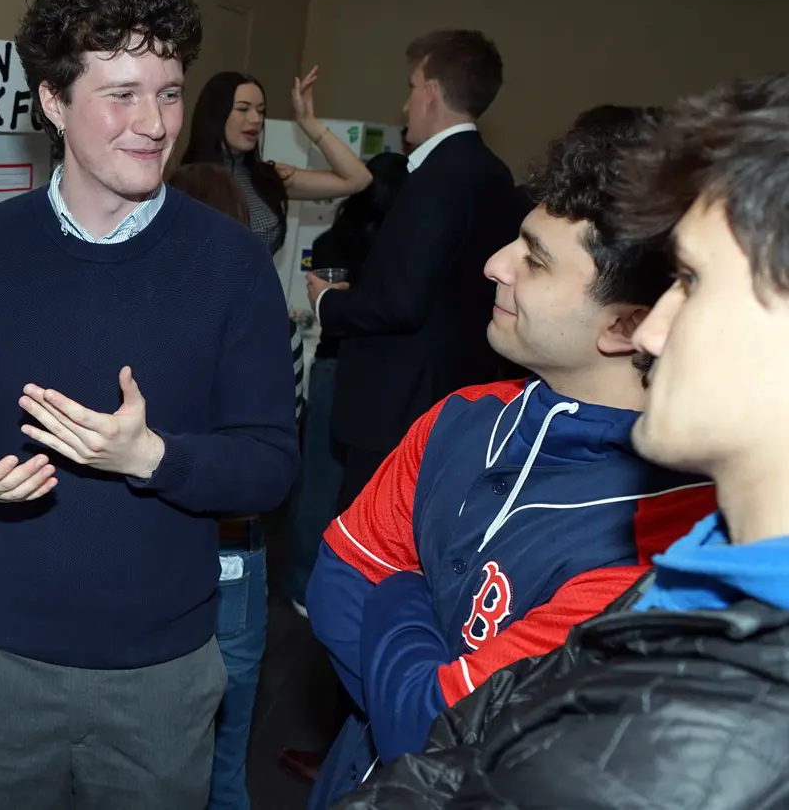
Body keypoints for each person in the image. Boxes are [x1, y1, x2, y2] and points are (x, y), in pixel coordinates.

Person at [0, 0, 300, 810]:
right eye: (121, 94)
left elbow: (269, 465)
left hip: (159, 677)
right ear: (52, 103)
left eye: (171, 91)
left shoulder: (229, 265)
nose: (154, 123)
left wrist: (153, 456)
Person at [330, 73, 789, 810]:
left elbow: (429, 727)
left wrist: (399, 585)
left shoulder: (656, 546)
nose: (657, 331)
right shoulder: (470, 416)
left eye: (694, 285)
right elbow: (340, 586)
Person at [307, 30, 530, 514]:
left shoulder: (434, 178)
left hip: (398, 404)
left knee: (368, 543)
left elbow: (400, 303)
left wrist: (329, 301)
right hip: (458, 395)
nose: (405, 105)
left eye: (411, 88)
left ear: (430, 91)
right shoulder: (494, 174)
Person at [170, 160, 281, 810]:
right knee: (227, 758)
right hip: (239, 550)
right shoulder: (256, 321)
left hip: (175, 552)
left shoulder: (157, 330)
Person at [285, 151, 410, 616]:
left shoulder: (332, 242)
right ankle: (350, 588)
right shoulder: (402, 254)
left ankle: (301, 585)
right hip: (386, 379)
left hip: (334, 366)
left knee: (319, 481)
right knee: (372, 492)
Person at [180, 68, 373, 259]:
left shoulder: (268, 177)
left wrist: (308, 122)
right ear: (216, 114)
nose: (256, 119)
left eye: (261, 111)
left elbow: (358, 179)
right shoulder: (187, 183)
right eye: (243, 109)